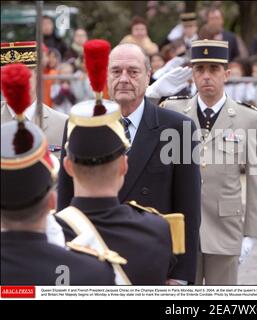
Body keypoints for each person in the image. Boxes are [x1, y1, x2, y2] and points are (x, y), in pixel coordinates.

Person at [57, 42, 201, 285]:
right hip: (90, 256)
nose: (124, 79)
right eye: (116, 71)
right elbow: (65, 194)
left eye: (133, 72)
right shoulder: (81, 125)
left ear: (148, 77)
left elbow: (189, 206)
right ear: (106, 76)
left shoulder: (179, 129)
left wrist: (180, 276)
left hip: (152, 261)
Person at [162, 39, 257, 285]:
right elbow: (162, 172)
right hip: (183, 227)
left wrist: (251, 233)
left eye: (214, 69)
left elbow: (256, 176)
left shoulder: (247, 118)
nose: (206, 76)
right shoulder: (173, 112)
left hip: (225, 226)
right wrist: (154, 91)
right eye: (200, 70)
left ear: (227, 74)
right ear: (192, 75)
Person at [1, 63, 114, 285]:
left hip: (55, 223)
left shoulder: (62, 122)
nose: (19, 81)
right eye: (8, 73)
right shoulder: (94, 272)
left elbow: (71, 177)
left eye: (27, 73)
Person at [1, 41, 68, 157]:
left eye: (24, 75)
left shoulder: (62, 124)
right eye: (8, 76)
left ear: (37, 76)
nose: (17, 82)